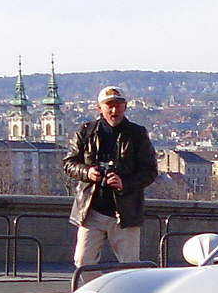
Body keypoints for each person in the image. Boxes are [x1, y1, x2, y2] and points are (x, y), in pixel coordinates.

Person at [64, 86, 158, 268]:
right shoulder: (85, 132)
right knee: (83, 263)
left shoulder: (137, 134)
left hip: (125, 211)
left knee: (130, 266)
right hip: (91, 209)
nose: (114, 110)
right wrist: (87, 172)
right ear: (99, 108)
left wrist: (125, 184)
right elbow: (69, 163)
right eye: (109, 106)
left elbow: (150, 171)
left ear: (125, 107)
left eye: (118, 105)